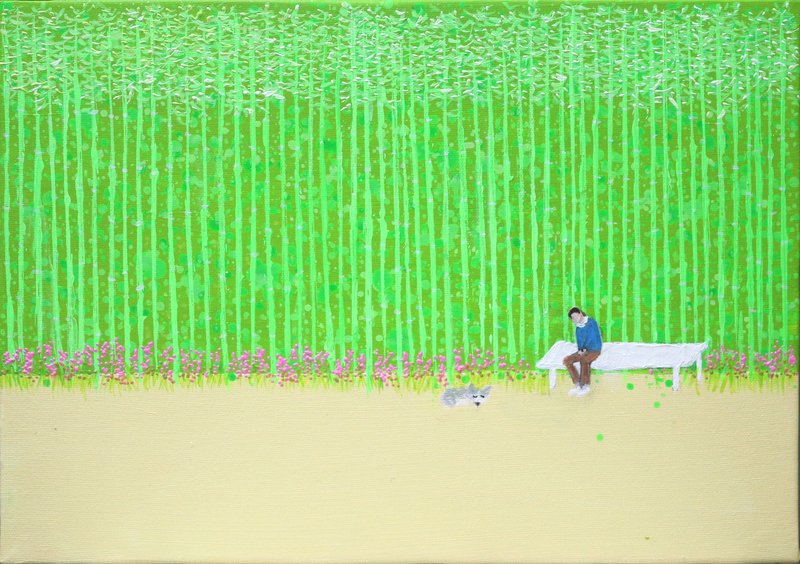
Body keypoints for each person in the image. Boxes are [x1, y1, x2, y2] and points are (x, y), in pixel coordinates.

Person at [562, 306, 603, 397]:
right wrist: (581, 350)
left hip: (594, 349)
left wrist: (585, 350)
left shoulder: (591, 322)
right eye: (573, 318)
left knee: (584, 360)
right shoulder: (578, 328)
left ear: (580, 314)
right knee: (567, 360)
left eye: (576, 316)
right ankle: (577, 384)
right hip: (584, 351)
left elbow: (594, 338)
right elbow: (580, 343)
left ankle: (585, 386)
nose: (575, 319)